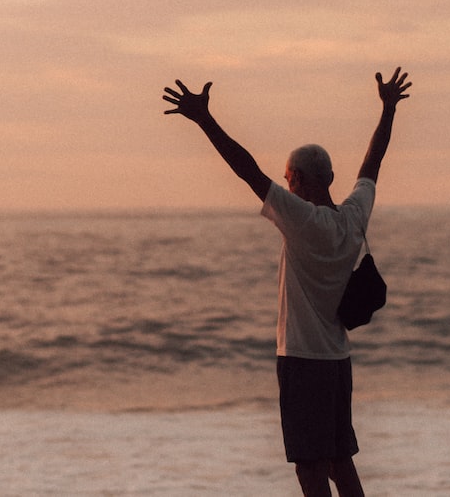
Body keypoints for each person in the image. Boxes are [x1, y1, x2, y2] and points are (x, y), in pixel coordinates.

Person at [162, 67, 411, 497]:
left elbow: (248, 171)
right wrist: (387, 109)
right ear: (331, 179)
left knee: (309, 469)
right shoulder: (353, 217)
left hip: (301, 360)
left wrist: (204, 120)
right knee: (339, 459)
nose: (286, 184)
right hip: (337, 361)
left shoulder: (301, 219)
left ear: (296, 181)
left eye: (288, 177)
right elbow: (373, 162)